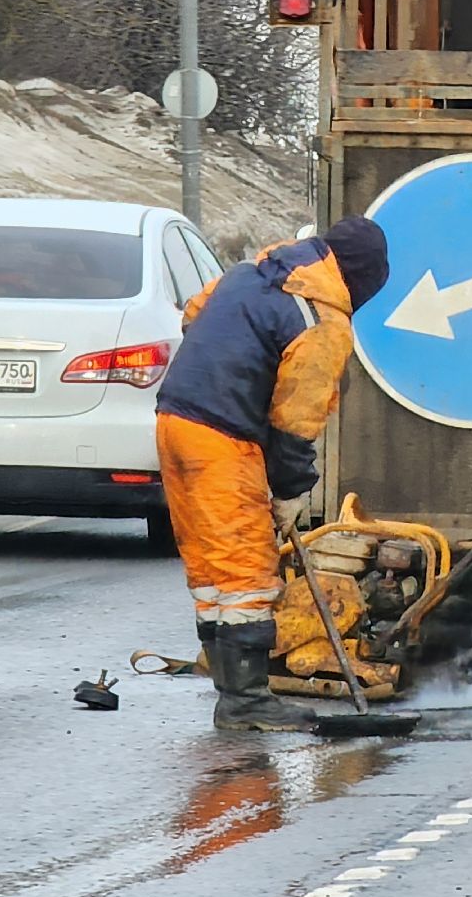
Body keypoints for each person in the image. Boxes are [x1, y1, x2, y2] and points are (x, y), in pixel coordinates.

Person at [155, 217, 389, 732]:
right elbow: (295, 423)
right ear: (362, 279)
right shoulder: (321, 321)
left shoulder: (250, 272)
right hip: (222, 436)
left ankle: (232, 693)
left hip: (174, 421)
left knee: (213, 571)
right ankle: (245, 702)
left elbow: (194, 314)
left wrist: (234, 362)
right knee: (245, 571)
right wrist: (290, 491)